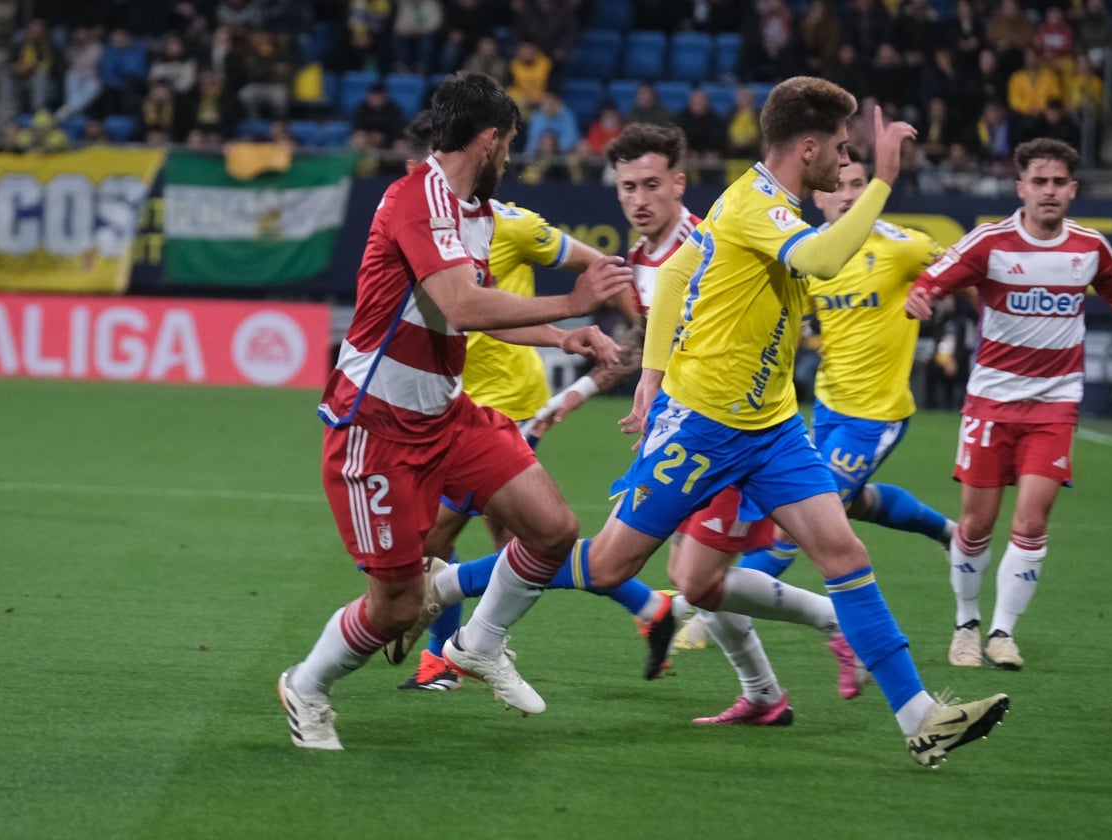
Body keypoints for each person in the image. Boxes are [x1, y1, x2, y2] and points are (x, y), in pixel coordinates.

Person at [447, 77, 1010, 767]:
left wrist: (650, 371)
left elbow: (681, 270)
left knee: (845, 555)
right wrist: (884, 182)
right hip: (705, 425)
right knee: (607, 565)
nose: (845, 158)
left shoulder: (754, 205)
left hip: (773, 428)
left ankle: (923, 719)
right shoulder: (757, 206)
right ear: (808, 148)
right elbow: (825, 259)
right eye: (839, 146)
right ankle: (460, 601)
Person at [278, 73, 633, 750]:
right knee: (396, 607)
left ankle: (479, 642)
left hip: (446, 417)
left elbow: (476, 315)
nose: (511, 160)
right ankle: (308, 684)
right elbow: (465, 306)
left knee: (553, 528)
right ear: (492, 139)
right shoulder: (415, 198)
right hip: (374, 428)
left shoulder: (473, 212)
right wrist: (571, 303)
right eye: (510, 147)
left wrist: (564, 338)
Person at [392, 112, 670, 691]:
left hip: (510, 404)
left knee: (438, 535)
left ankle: (443, 656)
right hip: (456, 401)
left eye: (423, 168)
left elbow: (598, 265)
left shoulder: (509, 224)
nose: (417, 179)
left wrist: (644, 342)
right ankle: (651, 610)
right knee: (520, 544)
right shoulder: (419, 225)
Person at [674, 149, 959, 702]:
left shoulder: (900, 245)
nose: (849, 193)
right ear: (820, 191)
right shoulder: (805, 251)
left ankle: (706, 610)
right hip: (825, 404)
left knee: (793, 523)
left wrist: (933, 292)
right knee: (839, 506)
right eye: (841, 184)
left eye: (860, 183)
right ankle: (942, 531)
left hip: (876, 415)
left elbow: (958, 265)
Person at [904, 138, 1112, 671]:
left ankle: (1002, 632)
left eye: (1058, 182)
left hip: (1055, 405)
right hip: (991, 404)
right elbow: (933, 280)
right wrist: (920, 295)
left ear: (1073, 189)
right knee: (975, 526)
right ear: (1020, 187)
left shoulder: (1090, 248)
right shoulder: (989, 243)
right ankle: (966, 624)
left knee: (1032, 521)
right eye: (1038, 181)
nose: (1049, 191)